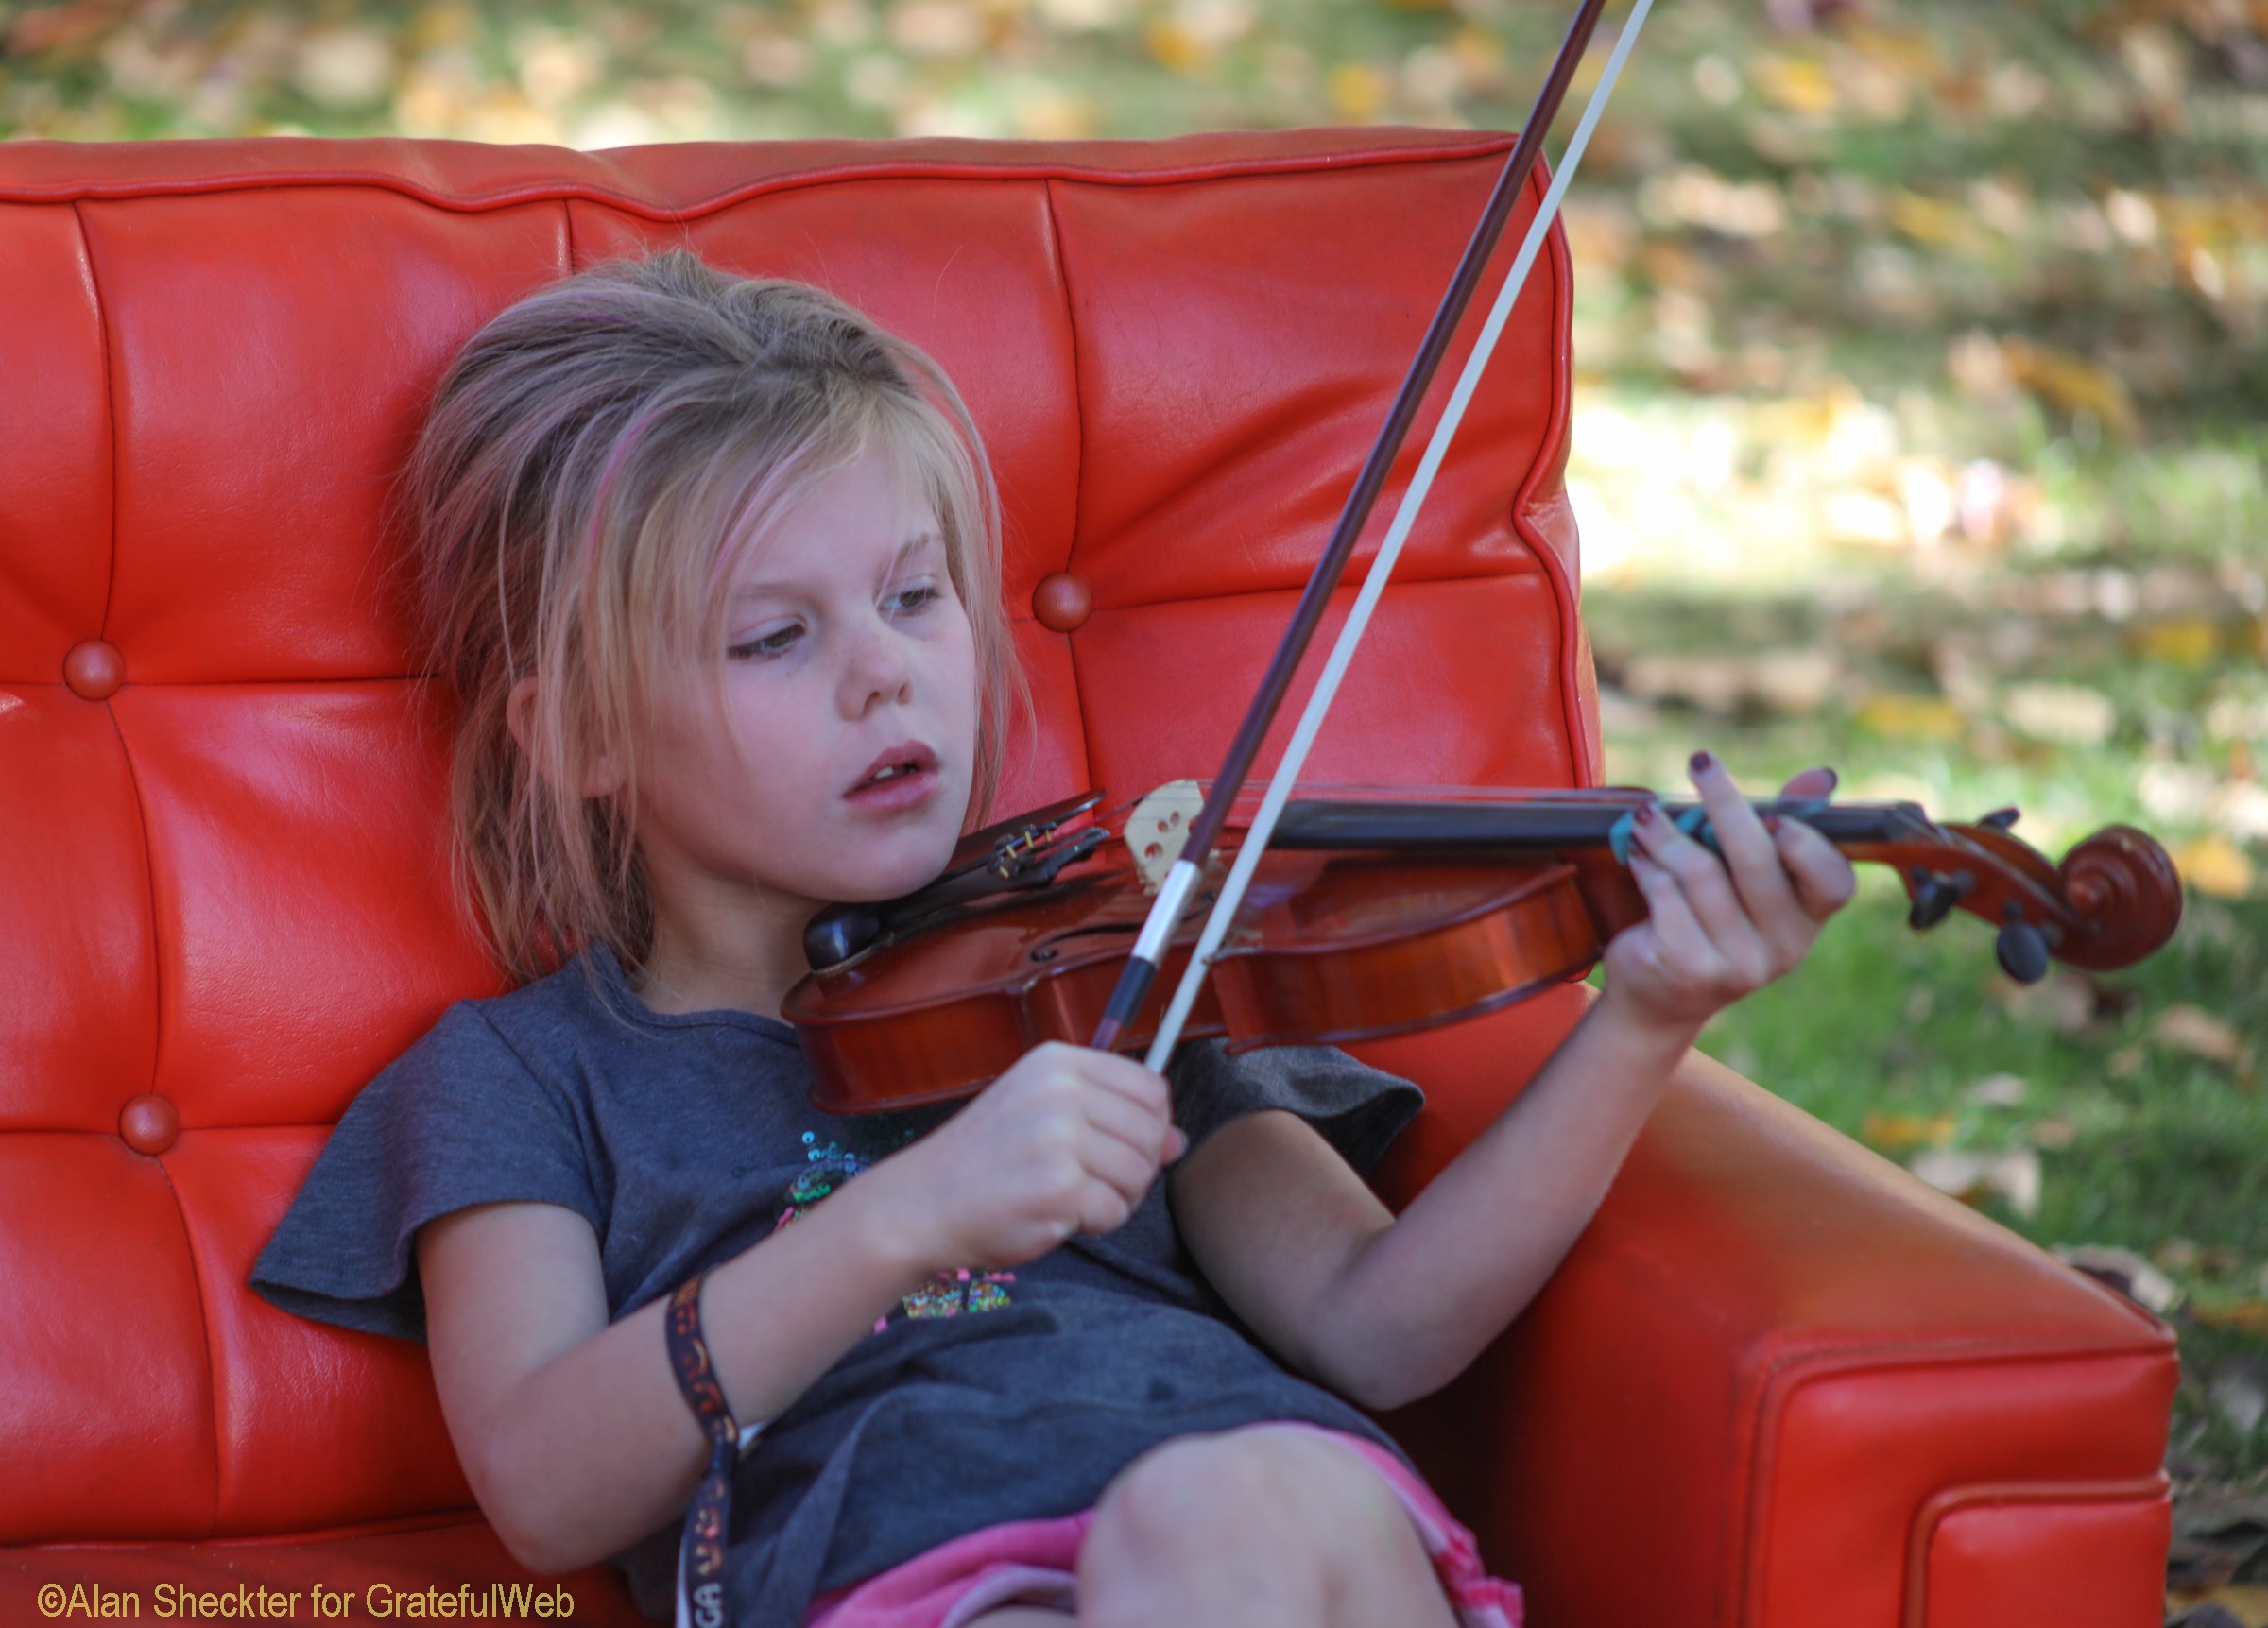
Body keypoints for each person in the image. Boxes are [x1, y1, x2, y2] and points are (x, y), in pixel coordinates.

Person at [250, 250, 1856, 1628]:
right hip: (912, 1586)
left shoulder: (1098, 981)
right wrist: (905, 1215)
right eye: (776, 635)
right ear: (582, 734)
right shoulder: (523, 1078)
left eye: (917, 597)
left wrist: (1646, 1016)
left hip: (1279, 1535)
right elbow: (543, 1487)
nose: (886, 674)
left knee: (1202, 1520)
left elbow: (1380, 1323)